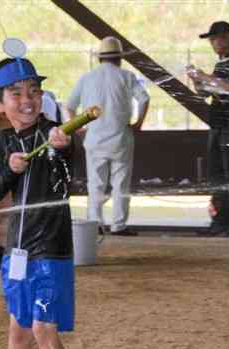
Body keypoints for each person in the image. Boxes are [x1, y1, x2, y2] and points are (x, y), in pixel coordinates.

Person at [0, 55, 78, 349]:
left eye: (35, 91)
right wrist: (10, 169)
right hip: (16, 250)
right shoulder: (5, 140)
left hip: (50, 249)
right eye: (16, 93)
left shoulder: (57, 133)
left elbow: (69, 178)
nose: (28, 99)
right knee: (18, 329)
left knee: (43, 329)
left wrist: (62, 149)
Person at [66, 36, 150, 236]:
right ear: (119, 58)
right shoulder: (127, 76)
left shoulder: (87, 78)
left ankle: (95, 223)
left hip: (94, 139)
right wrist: (138, 123)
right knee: (121, 183)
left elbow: (69, 105)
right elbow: (144, 99)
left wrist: (79, 127)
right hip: (121, 138)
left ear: (99, 58)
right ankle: (119, 225)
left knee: (95, 183)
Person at [187, 21, 229, 236]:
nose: (213, 44)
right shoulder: (221, 64)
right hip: (218, 124)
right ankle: (220, 221)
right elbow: (207, 92)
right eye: (211, 40)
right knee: (216, 175)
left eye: (215, 39)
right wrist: (198, 83)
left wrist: (204, 76)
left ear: (228, 37)